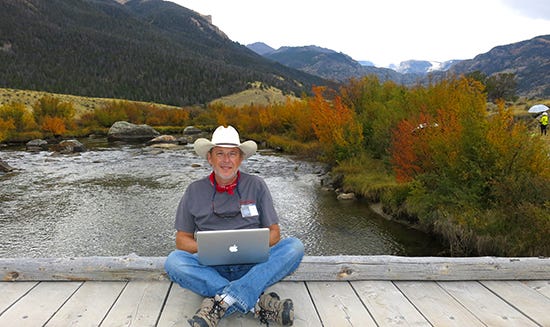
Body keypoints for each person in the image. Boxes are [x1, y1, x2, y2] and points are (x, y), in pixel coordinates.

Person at [164, 125, 305, 327]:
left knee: (294, 247)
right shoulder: (193, 190)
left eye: (232, 154)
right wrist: (209, 248)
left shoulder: (257, 185)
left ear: (241, 158)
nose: (226, 160)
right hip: (211, 269)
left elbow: (275, 234)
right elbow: (181, 240)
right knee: (174, 262)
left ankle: (221, 302)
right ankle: (257, 304)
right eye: (220, 153)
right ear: (209, 158)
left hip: (253, 266)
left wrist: (253, 246)